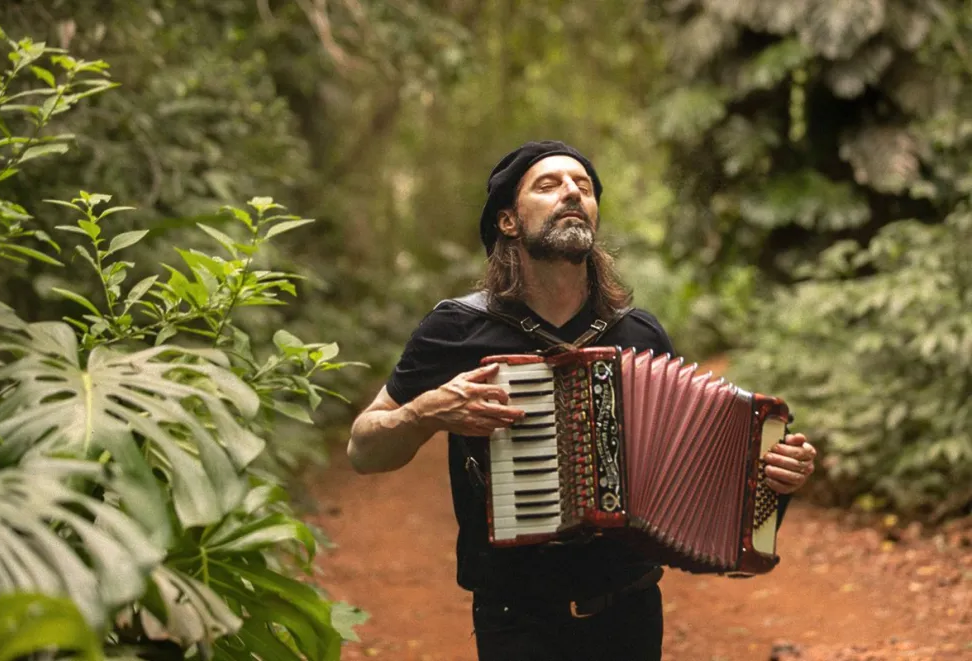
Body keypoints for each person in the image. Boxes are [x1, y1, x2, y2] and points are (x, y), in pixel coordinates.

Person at [347, 140, 818, 660]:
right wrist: (426, 411)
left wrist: (773, 471)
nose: (572, 191)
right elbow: (363, 450)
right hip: (515, 616)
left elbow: (698, 464)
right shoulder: (457, 329)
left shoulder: (637, 332)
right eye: (548, 185)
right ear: (508, 221)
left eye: (584, 186)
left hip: (629, 610)